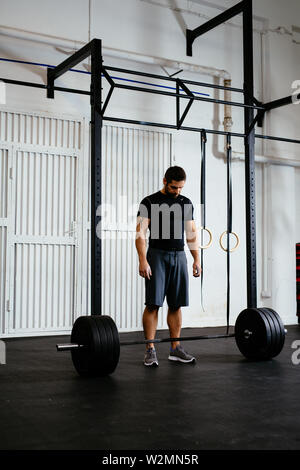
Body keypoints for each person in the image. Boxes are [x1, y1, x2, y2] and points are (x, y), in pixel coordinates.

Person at [135, 166, 201, 367]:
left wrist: (196, 259)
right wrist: (142, 260)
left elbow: (191, 233)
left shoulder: (185, 203)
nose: (177, 192)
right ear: (165, 181)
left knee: (176, 303)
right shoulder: (150, 201)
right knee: (153, 304)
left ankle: (175, 348)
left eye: (180, 188)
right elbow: (140, 233)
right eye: (174, 187)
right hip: (157, 255)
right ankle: (150, 349)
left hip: (179, 255)